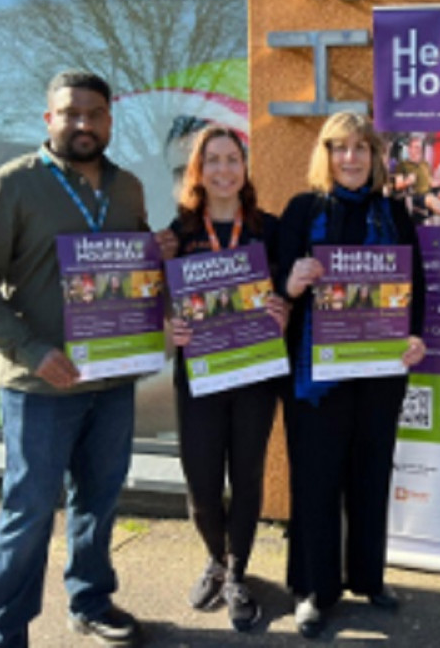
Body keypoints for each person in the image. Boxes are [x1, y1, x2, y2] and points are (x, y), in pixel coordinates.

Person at [0, 70, 150, 647]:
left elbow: (130, 268)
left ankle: (89, 600)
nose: (84, 123)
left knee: (99, 500)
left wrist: (156, 252)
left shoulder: (128, 187)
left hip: (111, 381)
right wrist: (33, 352)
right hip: (41, 389)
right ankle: (3, 634)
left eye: (95, 113)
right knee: (29, 513)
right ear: (49, 119)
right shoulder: (9, 185)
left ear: (110, 120)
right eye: (71, 113)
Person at [276, 112, 427, 638]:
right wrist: (291, 283)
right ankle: (313, 590)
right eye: (340, 147)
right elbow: (273, 290)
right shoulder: (302, 210)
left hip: (381, 373)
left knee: (370, 475)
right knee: (315, 482)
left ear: (375, 156)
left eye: (361, 147)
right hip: (315, 378)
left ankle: (368, 578)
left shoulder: (393, 213)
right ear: (326, 153)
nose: (351, 158)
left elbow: (417, 285)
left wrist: (415, 336)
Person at [156, 125, 288, 633]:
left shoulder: (270, 229)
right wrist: (174, 324)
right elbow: (158, 299)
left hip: (255, 375)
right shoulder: (180, 232)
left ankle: (237, 574)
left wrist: (283, 310)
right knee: (202, 481)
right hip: (200, 375)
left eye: (232, 159)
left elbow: (289, 296)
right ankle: (214, 555)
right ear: (199, 170)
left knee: (247, 477)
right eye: (213, 160)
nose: (224, 170)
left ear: (244, 168)